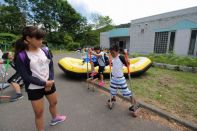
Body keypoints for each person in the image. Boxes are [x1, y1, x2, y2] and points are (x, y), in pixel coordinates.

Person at [15, 26, 66, 131]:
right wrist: (44, 83)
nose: (41, 41)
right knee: (39, 113)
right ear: (28, 38)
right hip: (34, 87)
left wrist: (50, 81)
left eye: (42, 38)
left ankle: (55, 118)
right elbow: (25, 76)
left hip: (49, 83)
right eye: (38, 39)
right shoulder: (22, 56)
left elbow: (50, 65)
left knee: (54, 103)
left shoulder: (45, 50)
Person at [108, 45, 139, 114]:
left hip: (120, 79)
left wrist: (128, 62)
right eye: (111, 53)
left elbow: (127, 65)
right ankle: (113, 98)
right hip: (113, 78)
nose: (112, 54)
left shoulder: (121, 57)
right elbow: (113, 65)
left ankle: (135, 104)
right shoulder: (113, 58)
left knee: (127, 92)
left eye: (113, 53)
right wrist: (110, 62)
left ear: (117, 51)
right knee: (112, 89)